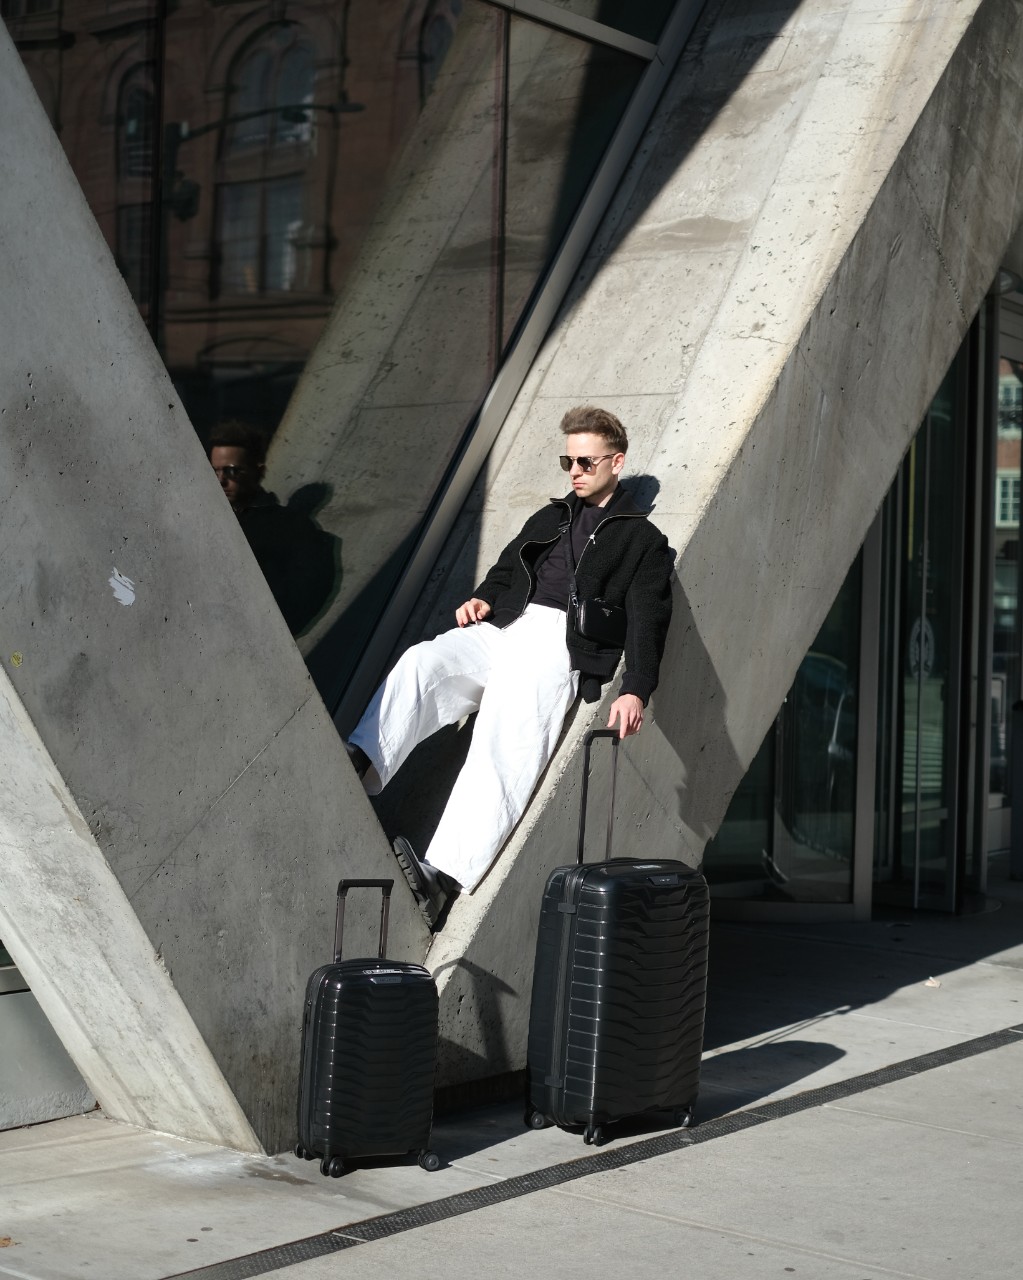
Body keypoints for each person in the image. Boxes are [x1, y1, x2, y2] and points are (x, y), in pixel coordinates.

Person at [347, 405, 674, 929]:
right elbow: (504, 571)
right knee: (423, 661)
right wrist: (481, 600)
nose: (574, 471)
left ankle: (441, 877)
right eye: (568, 460)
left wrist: (636, 687)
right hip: (503, 627)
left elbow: (648, 619)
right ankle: (362, 761)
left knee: (506, 739)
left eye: (586, 462)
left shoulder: (641, 540)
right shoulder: (551, 516)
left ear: (617, 462)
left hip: (558, 642)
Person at [208, 421, 334, 636]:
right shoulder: (206, 519)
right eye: (215, 471)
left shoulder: (289, 527)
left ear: (258, 472)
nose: (221, 480)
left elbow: (306, 595)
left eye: (232, 471)